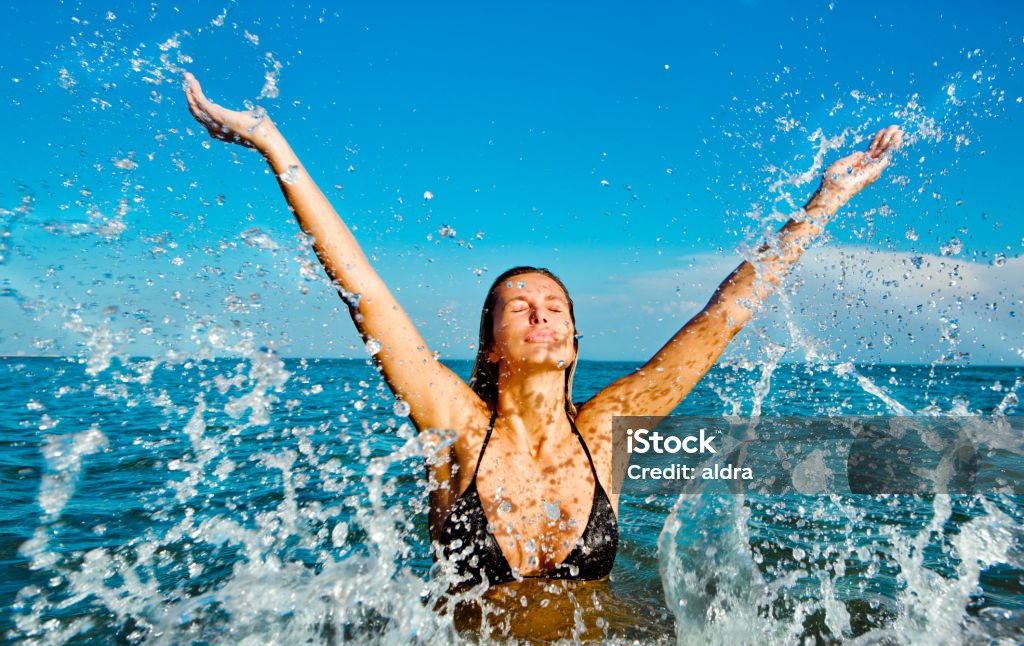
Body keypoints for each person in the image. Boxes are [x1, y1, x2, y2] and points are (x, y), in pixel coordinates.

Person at [184, 73, 903, 590]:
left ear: (574, 338)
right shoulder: (457, 426)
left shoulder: (608, 431)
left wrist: (826, 199)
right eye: (518, 303)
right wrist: (276, 151)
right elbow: (366, 294)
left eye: (555, 303)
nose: (542, 311)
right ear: (491, 343)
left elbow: (721, 320)